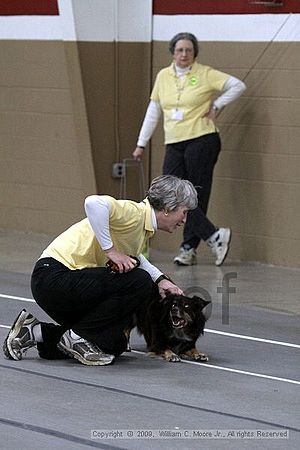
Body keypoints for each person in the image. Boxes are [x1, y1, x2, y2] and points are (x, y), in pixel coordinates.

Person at [3, 175, 198, 366]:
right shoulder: (135, 213)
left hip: (66, 285)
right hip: (53, 277)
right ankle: (76, 337)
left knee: (113, 343)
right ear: (167, 208)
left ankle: (35, 332)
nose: (184, 220)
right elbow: (93, 203)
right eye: (184, 212)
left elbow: (137, 258)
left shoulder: (140, 228)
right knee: (139, 281)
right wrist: (110, 251)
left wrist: (162, 280)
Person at [133, 32, 246, 266]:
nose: (184, 54)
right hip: (174, 141)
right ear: (173, 52)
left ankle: (187, 248)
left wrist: (217, 104)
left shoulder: (204, 73)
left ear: (194, 53)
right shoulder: (163, 76)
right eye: (180, 50)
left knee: (196, 194)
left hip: (202, 138)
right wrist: (141, 143)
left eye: (189, 50)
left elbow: (238, 85)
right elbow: (153, 110)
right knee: (170, 194)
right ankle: (214, 235)